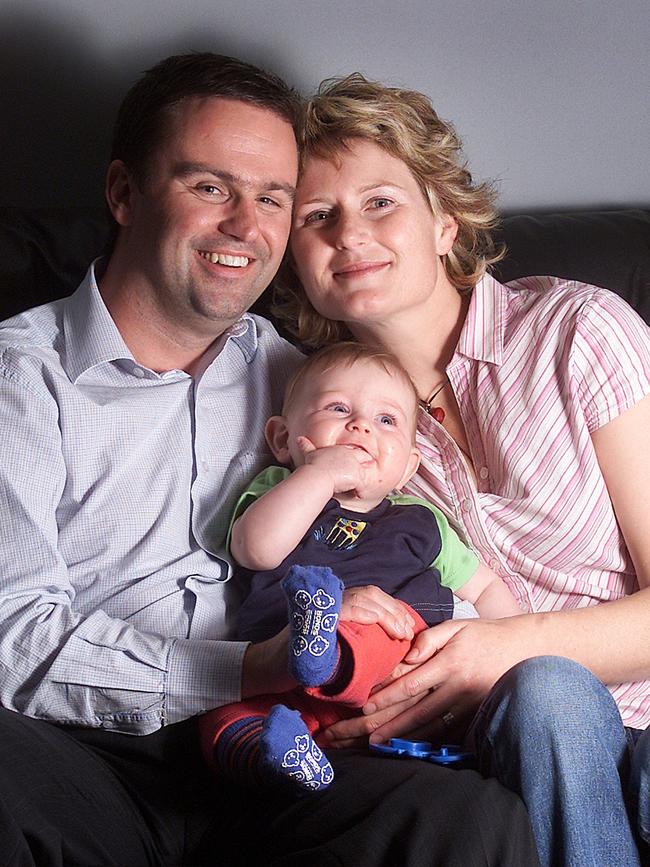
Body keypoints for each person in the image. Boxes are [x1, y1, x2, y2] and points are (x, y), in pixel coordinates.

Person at [0, 54, 541, 867]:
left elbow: (405, 517)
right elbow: (15, 639)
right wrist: (247, 670)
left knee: (465, 817)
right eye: (210, 187)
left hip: (299, 747)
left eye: (274, 198)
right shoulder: (20, 380)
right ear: (123, 194)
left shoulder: (301, 376)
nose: (245, 226)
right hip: (86, 751)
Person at [275, 71, 650, 866]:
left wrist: (505, 648)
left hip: (640, 728)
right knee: (535, 703)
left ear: (445, 223)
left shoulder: (578, 332)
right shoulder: (324, 428)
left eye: (381, 201)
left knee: (544, 684)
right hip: (485, 754)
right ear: (294, 257)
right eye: (318, 216)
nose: (350, 234)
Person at [199, 342, 521, 793]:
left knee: (375, 624)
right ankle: (281, 759)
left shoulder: (421, 522)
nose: (361, 426)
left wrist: (514, 654)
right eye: (337, 408)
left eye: (386, 420)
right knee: (219, 721)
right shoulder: (280, 489)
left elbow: (486, 589)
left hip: (391, 671)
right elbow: (258, 551)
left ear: (407, 467)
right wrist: (320, 475)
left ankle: (328, 655)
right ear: (281, 439)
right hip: (278, 667)